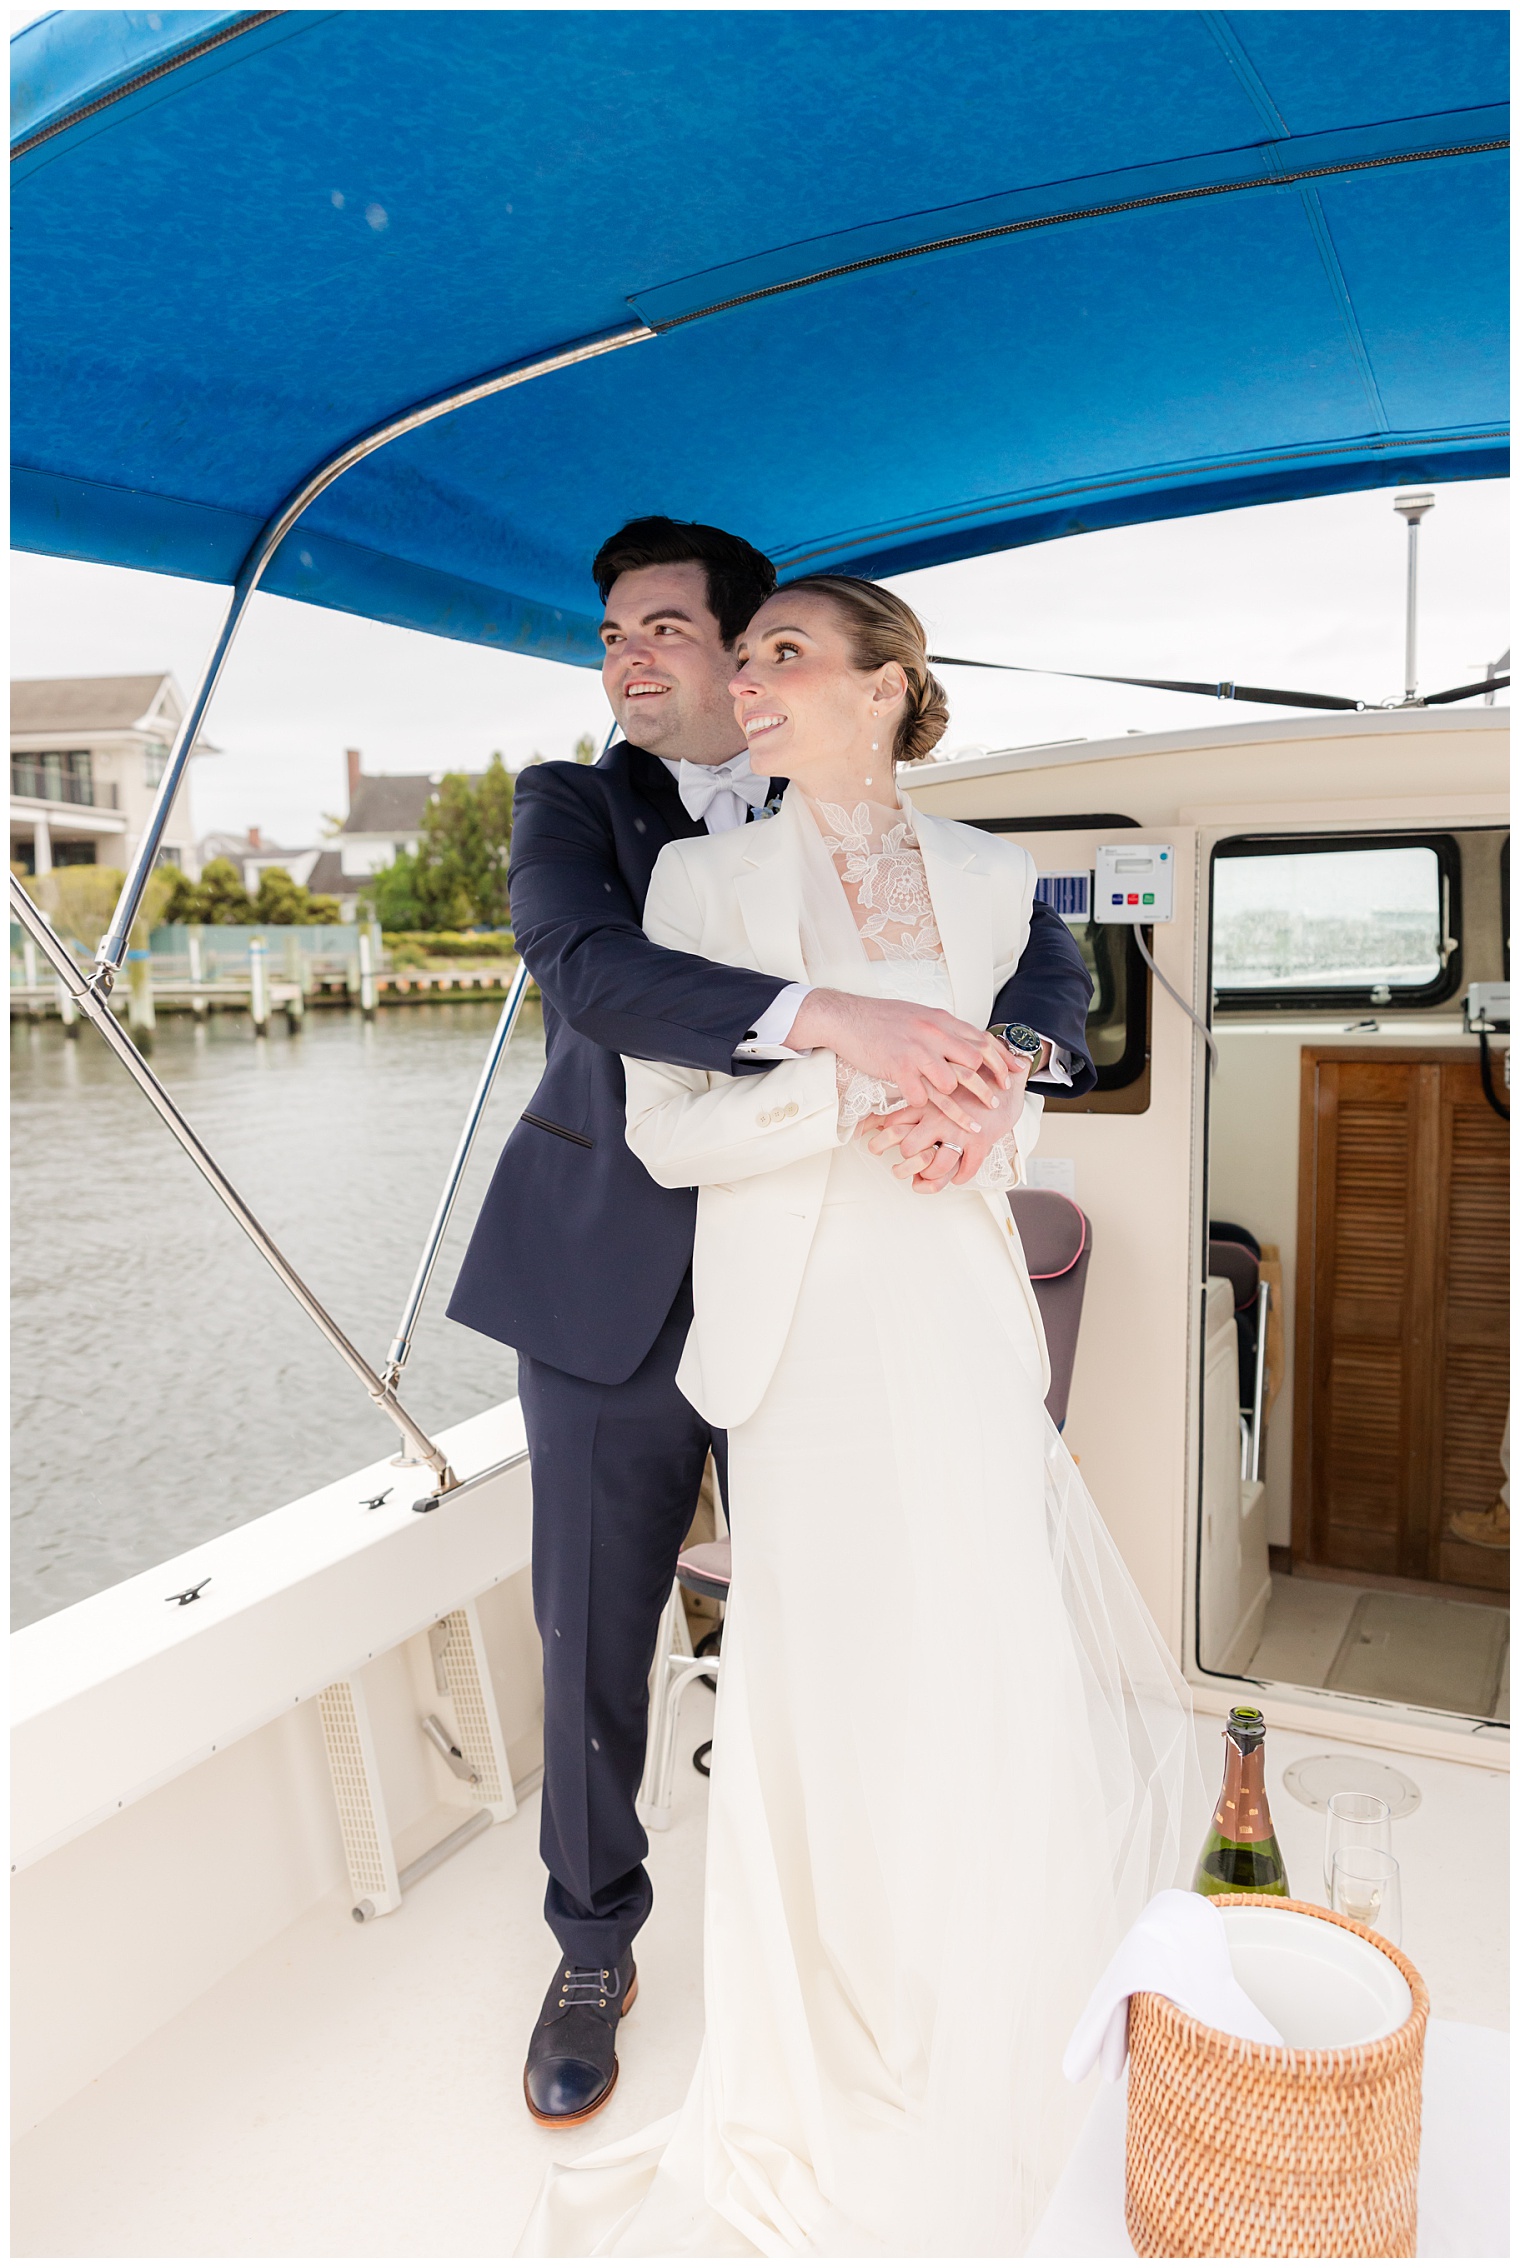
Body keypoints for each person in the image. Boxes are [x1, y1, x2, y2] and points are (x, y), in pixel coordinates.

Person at [517, 578, 1194, 2256]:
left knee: (973, 1636)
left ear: (891, 687)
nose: (741, 679)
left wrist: (986, 1130)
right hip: (797, 1328)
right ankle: (739, 1986)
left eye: (779, 654)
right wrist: (851, 1089)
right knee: (808, 1661)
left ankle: (980, 1976)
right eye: (729, 657)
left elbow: (1037, 1054)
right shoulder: (687, 871)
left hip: (952, 1307)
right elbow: (671, 1125)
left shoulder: (987, 875)